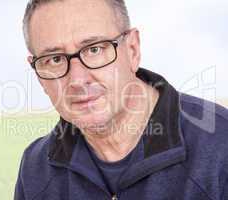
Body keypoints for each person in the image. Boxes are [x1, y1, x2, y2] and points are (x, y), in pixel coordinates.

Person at [14, 0, 228, 199]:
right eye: (55, 59)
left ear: (132, 50)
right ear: (38, 74)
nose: (77, 80)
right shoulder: (35, 168)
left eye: (94, 49)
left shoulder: (221, 146)